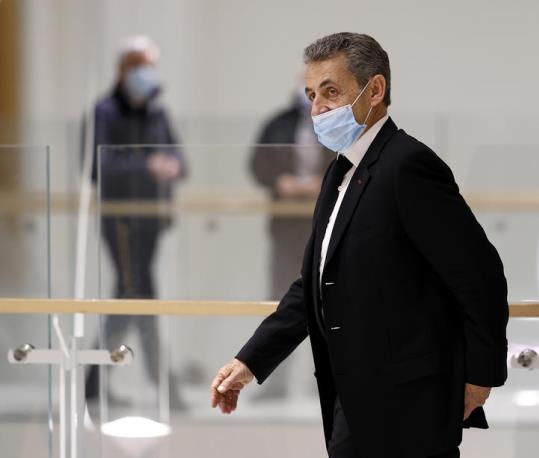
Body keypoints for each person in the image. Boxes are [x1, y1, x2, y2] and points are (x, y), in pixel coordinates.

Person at [211, 32, 509, 457]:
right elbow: (314, 283)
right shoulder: (339, 172)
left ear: (375, 90)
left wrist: (481, 375)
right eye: (311, 95)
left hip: (409, 403)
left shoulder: (408, 165)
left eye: (331, 92)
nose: (317, 108)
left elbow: (480, 275)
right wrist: (250, 362)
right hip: (353, 395)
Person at [85, 35, 187, 409]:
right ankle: (163, 387)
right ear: (122, 69)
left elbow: (181, 160)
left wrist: (171, 165)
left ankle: (95, 383)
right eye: (137, 65)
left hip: (152, 220)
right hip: (121, 221)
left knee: (133, 296)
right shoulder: (104, 112)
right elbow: (96, 166)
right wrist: (147, 166)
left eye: (149, 65)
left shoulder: (157, 111)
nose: (144, 73)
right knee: (138, 294)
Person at [249, 83, 330, 400]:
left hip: (324, 225)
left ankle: (327, 378)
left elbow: (353, 159)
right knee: (281, 302)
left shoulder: (336, 121)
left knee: (328, 302)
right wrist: (280, 181)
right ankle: (277, 383)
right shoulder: (278, 123)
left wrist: (324, 181)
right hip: (285, 227)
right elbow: (258, 164)